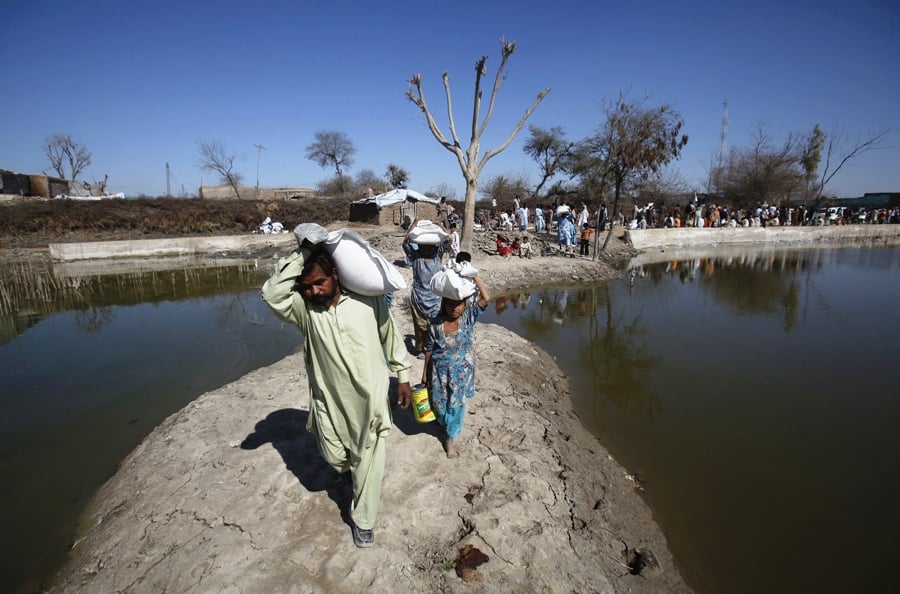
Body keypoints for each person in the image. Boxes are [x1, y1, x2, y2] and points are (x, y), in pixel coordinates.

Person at [261, 240, 411, 549]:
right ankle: (353, 473)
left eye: (320, 282)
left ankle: (364, 520)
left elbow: (389, 335)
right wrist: (304, 250)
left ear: (335, 275)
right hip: (329, 402)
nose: (314, 291)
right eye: (307, 286)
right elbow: (272, 293)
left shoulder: (368, 302)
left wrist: (404, 376)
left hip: (370, 400)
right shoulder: (305, 312)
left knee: (369, 456)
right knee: (336, 456)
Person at [422, 274, 491, 458]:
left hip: (461, 373)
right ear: (444, 303)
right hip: (439, 371)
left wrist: (475, 277)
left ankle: (450, 439)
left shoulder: (467, 318)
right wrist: (425, 373)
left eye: (458, 304)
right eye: (450, 304)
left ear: (464, 305)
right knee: (438, 402)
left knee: (456, 404)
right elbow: (428, 348)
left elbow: (486, 299)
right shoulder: (435, 324)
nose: (454, 308)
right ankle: (445, 423)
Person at [403, 219, 446, 356]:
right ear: (419, 246)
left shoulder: (437, 255)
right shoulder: (414, 256)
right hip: (418, 296)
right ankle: (421, 348)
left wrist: (440, 225)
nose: (427, 248)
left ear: (434, 246)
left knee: (435, 324)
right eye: (424, 246)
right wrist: (413, 226)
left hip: (435, 297)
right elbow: (405, 242)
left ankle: (432, 346)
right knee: (420, 325)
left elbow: (448, 240)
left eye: (429, 246)